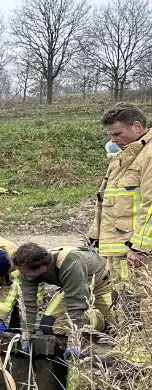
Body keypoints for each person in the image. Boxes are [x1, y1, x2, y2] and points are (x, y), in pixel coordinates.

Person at [12, 243, 114, 359]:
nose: (22, 275)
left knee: (116, 327)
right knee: (48, 324)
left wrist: (74, 339)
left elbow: (75, 303)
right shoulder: (28, 271)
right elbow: (28, 301)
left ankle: (99, 320)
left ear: (40, 268)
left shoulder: (70, 263)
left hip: (100, 283)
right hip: (70, 285)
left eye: (24, 273)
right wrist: (26, 330)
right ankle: (89, 321)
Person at [94, 102, 152, 305]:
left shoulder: (149, 156)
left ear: (137, 127)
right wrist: (95, 236)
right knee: (122, 304)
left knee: (138, 306)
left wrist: (140, 247)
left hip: (134, 252)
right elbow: (106, 199)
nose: (113, 140)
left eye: (117, 134)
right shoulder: (123, 157)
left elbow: (151, 205)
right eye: (110, 135)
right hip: (118, 250)